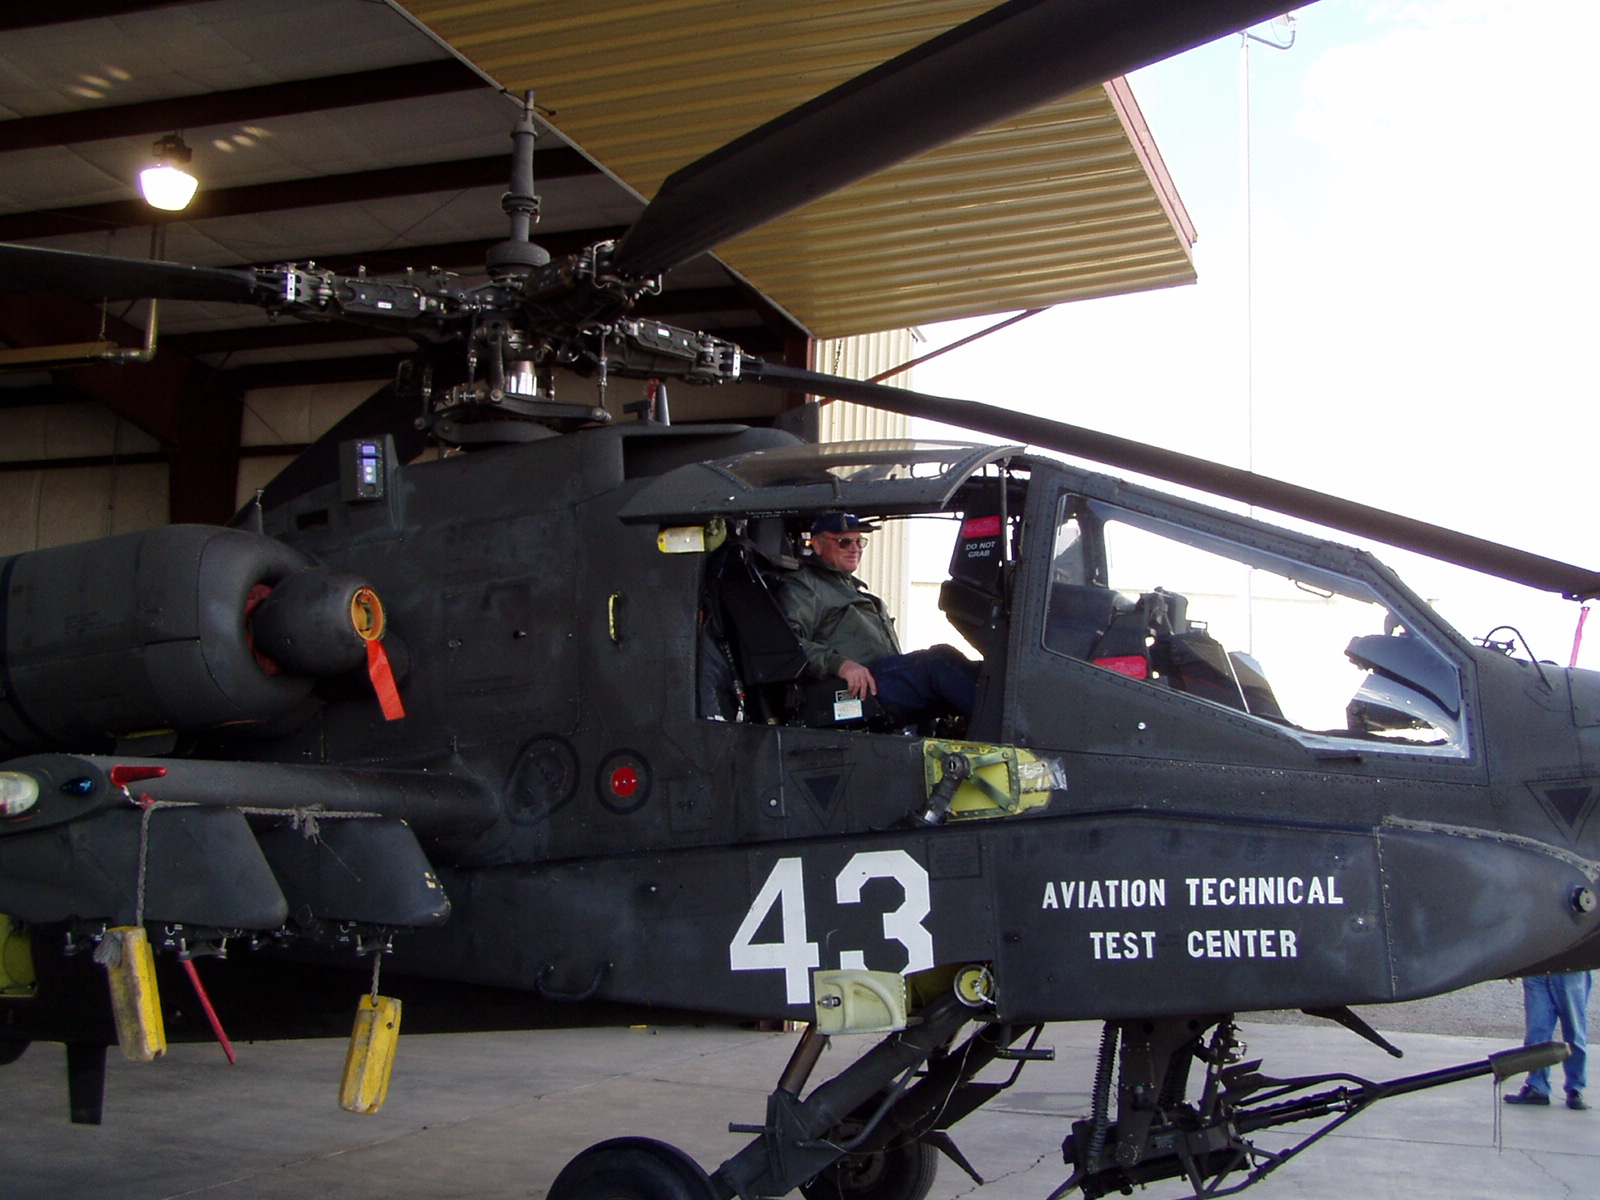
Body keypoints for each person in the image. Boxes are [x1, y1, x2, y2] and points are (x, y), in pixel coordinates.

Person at [774, 514, 978, 721]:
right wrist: (840, 665)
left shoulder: (847, 587)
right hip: (854, 686)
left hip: (879, 676)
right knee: (938, 662)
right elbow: (786, 645)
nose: (855, 548)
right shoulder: (805, 587)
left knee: (980, 673)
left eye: (859, 541)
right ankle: (1000, 730)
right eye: (845, 542)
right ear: (817, 545)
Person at [1504, 970, 1591, 1110]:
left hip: (1570, 968)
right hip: (1536, 969)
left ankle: (1575, 1088)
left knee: (1574, 1031)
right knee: (1536, 1033)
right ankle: (1537, 1086)